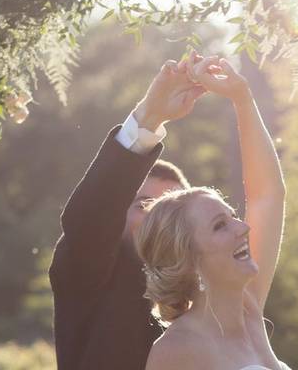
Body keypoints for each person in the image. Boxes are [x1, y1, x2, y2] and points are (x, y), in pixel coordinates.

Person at [48, 54, 208, 370]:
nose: (157, 216)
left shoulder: (212, 293)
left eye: (171, 206)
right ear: (117, 216)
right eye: (143, 204)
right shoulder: (88, 274)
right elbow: (91, 220)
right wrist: (149, 117)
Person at [136, 55, 290, 370]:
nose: (243, 228)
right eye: (220, 226)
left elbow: (267, 196)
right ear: (189, 259)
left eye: (232, 216)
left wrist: (242, 98)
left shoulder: (248, 310)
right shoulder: (176, 351)